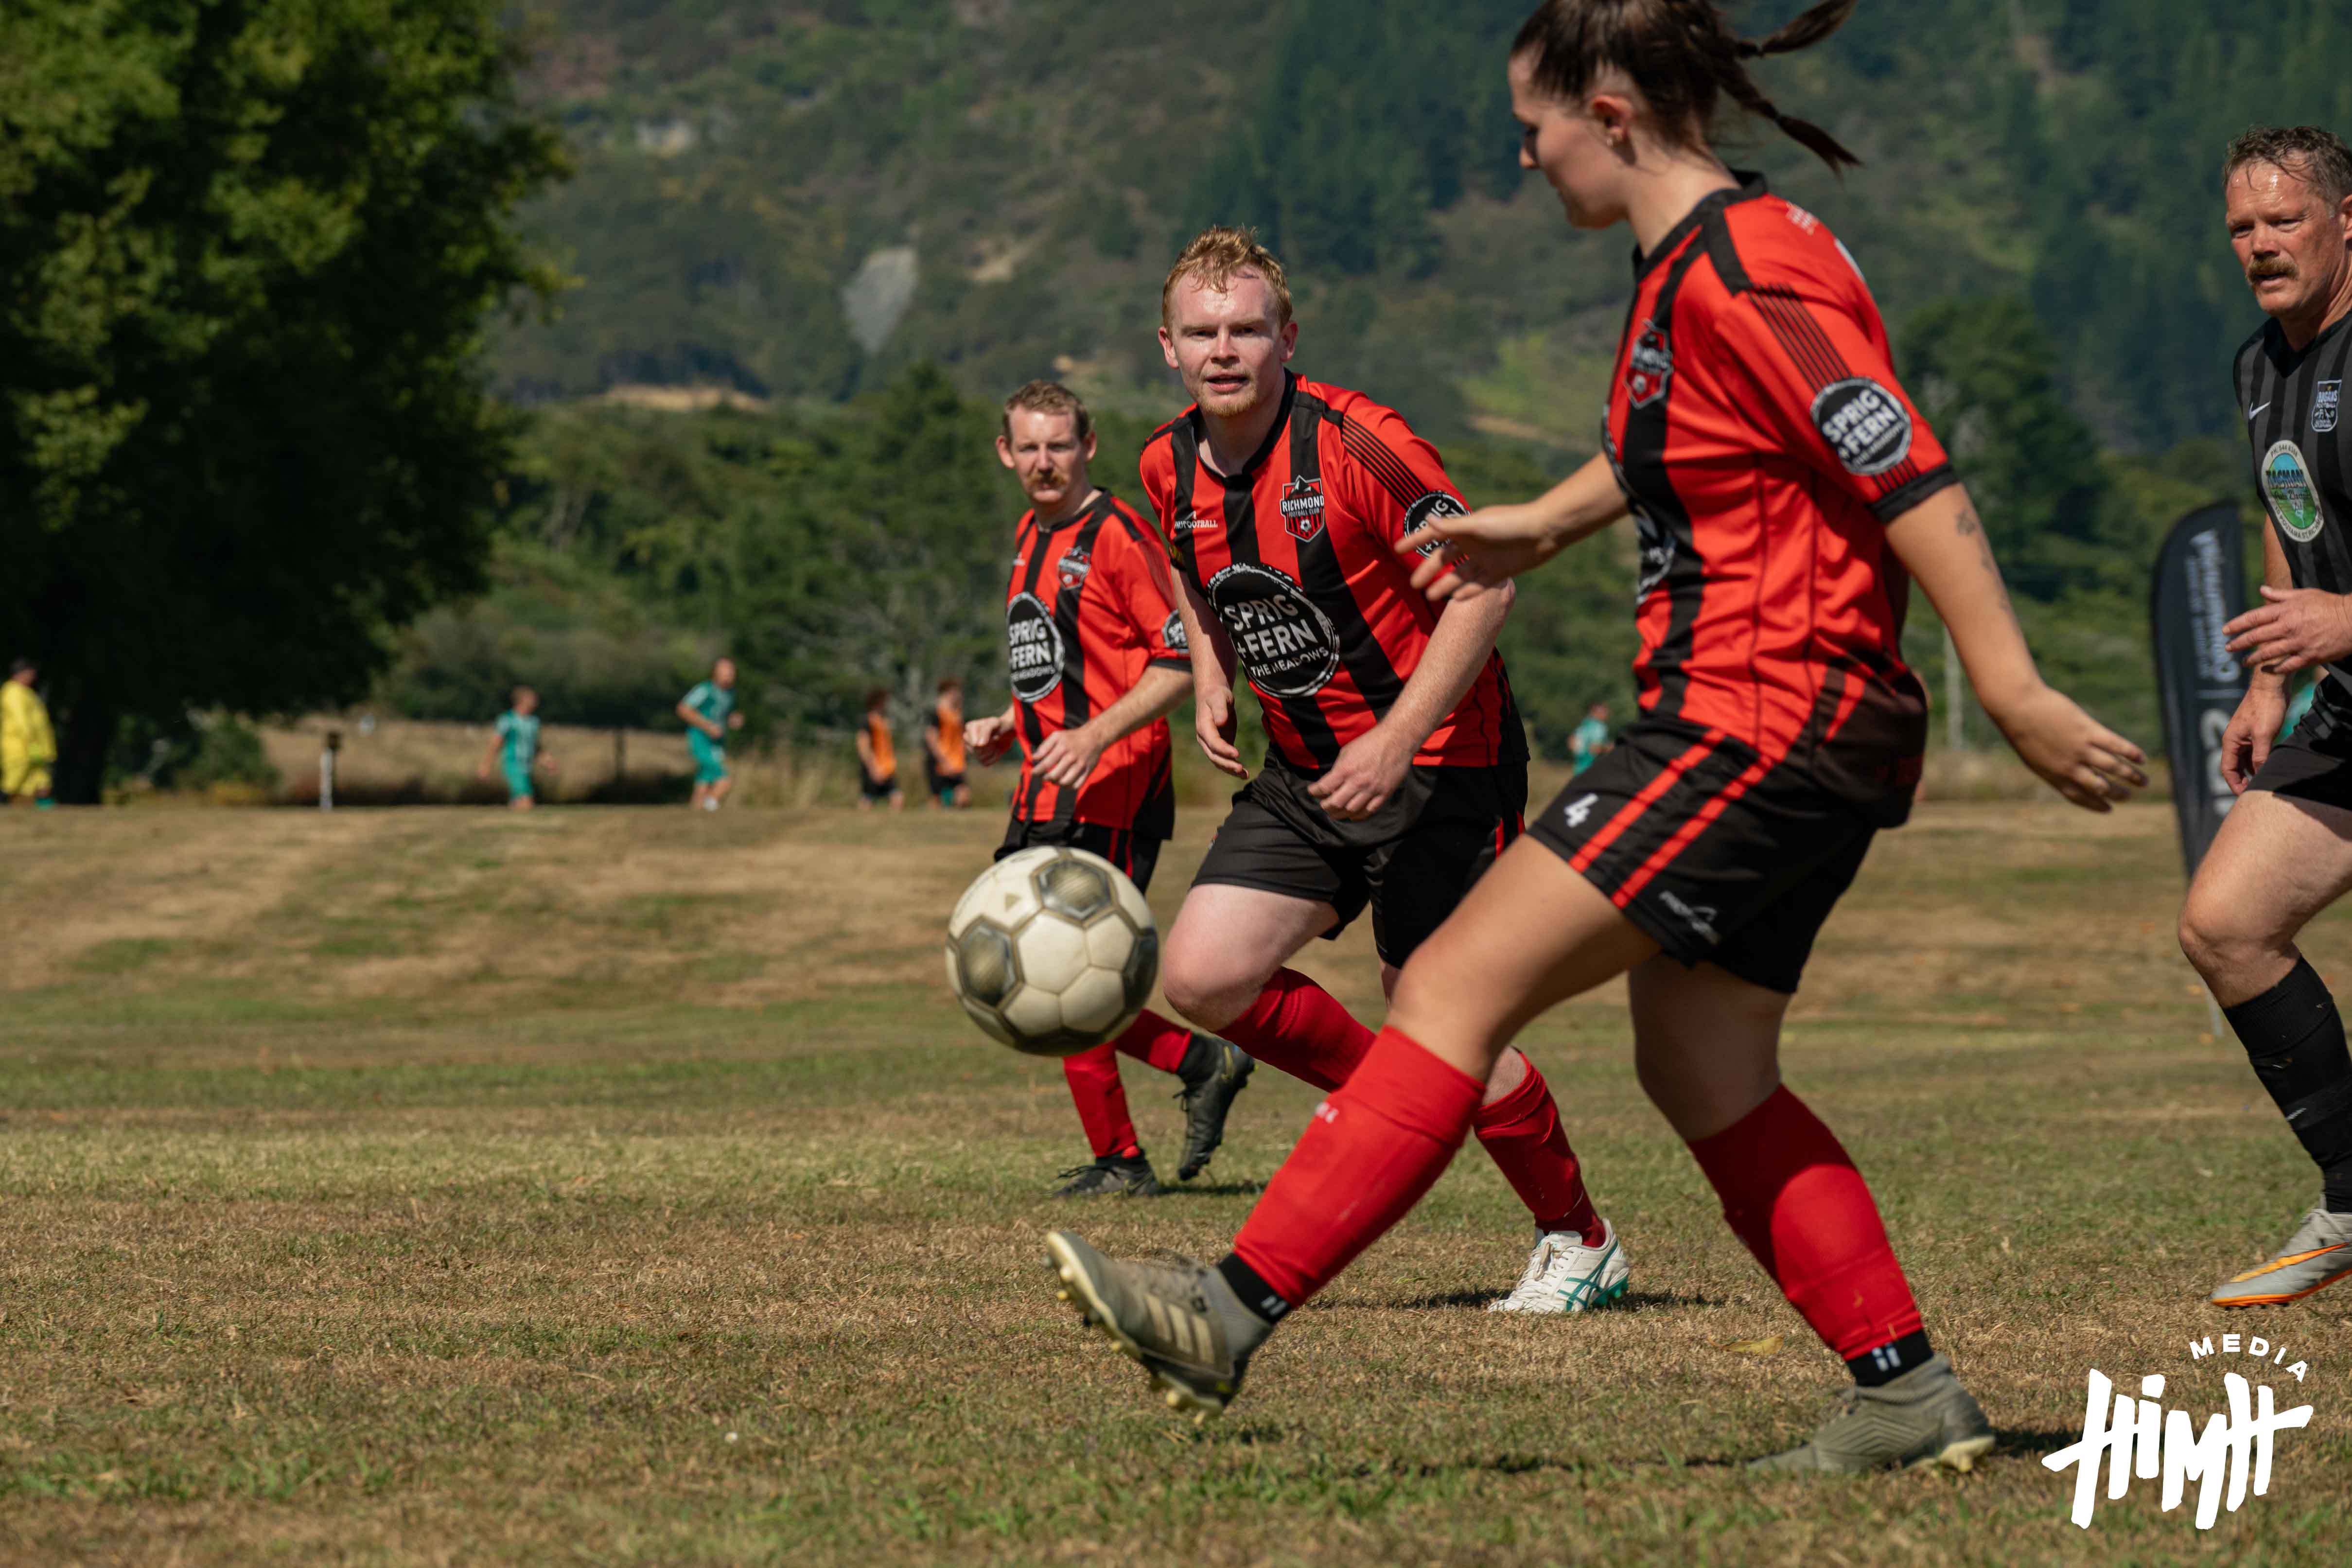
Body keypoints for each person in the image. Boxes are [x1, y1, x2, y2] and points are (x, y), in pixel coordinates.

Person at [1044, 0, 2146, 1470]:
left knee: (1445, 987)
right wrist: (1538, 527)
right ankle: (1904, 1391)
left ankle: (1224, 1314)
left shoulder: (1741, 266)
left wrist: (2008, 687)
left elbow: (1895, 455)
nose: (1520, 153)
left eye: (1533, 122)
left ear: (1610, 114)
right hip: (1798, 722)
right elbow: (1666, 452)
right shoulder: (1679, 268)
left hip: (1753, 717)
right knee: (1704, 1070)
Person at [1073, 225, 1629, 1314]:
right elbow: (1192, 571)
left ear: (1288, 335)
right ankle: (1407, 1106)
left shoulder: (1360, 446)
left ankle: (1578, 1236)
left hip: (1442, 764)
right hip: (1309, 768)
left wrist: (1396, 738)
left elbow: (1483, 590)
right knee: (1203, 976)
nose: (1223, 349)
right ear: (1167, 347)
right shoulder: (1164, 460)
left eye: (1245, 328)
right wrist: (1215, 670)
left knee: (1435, 1006)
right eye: (1201, 332)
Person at [967, 380, 1256, 1195]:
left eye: (1058, 445)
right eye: (1028, 447)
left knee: (1067, 971)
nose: (1043, 461)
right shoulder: (1030, 532)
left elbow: (1178, 660)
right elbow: (1065, 668)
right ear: (1005, 453)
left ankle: (1123, 1158)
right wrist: (1007, 723)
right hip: (1042, 789)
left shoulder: (1118, 534)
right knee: (1039, 974)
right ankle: (1198, 1063)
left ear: (1087, 445)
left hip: (1116, 788)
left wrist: (1093, 737)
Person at [2179, 124, 2352, 1310]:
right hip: (2347, 707)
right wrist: (2272, 680)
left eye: (2283, 220)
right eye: (2242, 227)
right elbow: (2292, 522)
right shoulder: (2259, 367)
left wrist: (2349, 622)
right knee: (2225, 920)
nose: (2259, 245)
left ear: (2348, 220)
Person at [678, 658, 744, 810]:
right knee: (724, 780)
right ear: (715, 672)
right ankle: (711, 804)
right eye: (725, 671)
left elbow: (723, 715)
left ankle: (695, 813)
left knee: (704, 780)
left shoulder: (730, 694)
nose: (729, 675)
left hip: (717, 742)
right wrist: (707, 727)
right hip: (700, 739)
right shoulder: (705, 690)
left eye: (732, 671)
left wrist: (733, 720)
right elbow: (683, 709)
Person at [476, 686, 555, 810]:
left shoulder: (534, 722)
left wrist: (547, 761)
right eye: (532, 698)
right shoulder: (507, 720)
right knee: (527, 802)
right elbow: (496, 743)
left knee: (517, 803)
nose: (535, 701)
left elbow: (536, 747)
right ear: (521, 700)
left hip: (527, 766)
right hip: (513, 764)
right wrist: (486, 765)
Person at [2, 659, 56, 809]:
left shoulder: (27, 693)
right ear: (20, 674)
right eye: (30, 674)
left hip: (35, 746)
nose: (33, 677)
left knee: (41, 779)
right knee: (14, 779)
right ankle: (3, 802)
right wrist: (31, 743)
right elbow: (21, 721)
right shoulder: (12, 692)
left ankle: (45, 809)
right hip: (19, 746)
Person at [926, 678, 971, 809]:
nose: (959, 695)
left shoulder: (957, 714)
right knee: (936, 800)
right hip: (939, 761)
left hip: (956, 761)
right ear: (948, 692)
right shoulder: (936, 713)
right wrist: (943, 760)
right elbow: (931, 737)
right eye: (956, 691)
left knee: (964, 798)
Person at [855, 689, 904, 811]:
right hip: (873, 766)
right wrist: (872, 767)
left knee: (897, 797)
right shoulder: (866, 721)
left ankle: (893, 826)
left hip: (887, 766)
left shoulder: (883, 721)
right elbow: (863, 746)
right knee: (867, 799)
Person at [1569, 698, 1613, 774]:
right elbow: (1594, 748)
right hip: (1592, 769)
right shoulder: (1598, 727)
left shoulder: (1583, 726)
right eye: (1604, 712)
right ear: (1596, 712)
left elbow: (1571, 743)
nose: (1607, 715)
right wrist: (1610, 748)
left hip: (1579, 769)